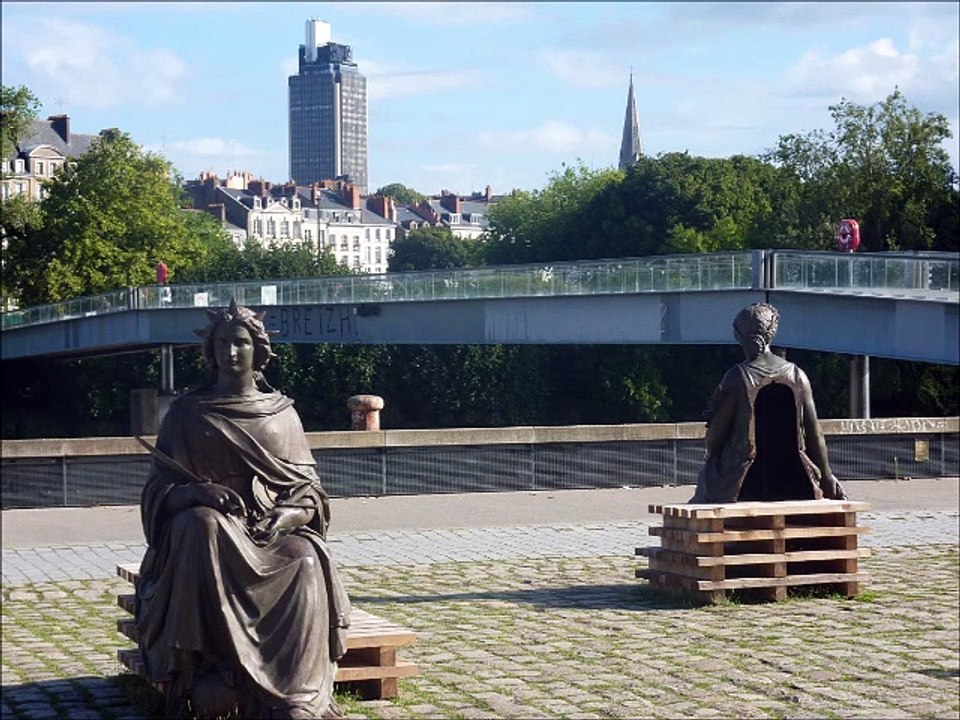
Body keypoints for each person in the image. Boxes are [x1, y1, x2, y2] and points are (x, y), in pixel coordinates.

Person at [135, 299, 351, 719]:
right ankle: (202, 672)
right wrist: (200, 495)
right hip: (209, 536)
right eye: (222, 343)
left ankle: (296, 694)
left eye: (240, 342)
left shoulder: (281, 415)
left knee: (306, 560)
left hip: (268, 533)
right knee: (203, 527)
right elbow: (158, 493)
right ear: (210, 351)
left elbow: (310, 493)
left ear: (258, 349)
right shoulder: (186, 414)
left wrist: (288, 516)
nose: (231, 352)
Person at [690, 302, 847, 503]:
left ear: (738, 335)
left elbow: (713, 442)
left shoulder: (737, 377)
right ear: (772, 332)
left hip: (741, 486)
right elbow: (815, 434)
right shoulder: (798, 375)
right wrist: (826, 478)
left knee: (708, 477)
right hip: (797, 483)